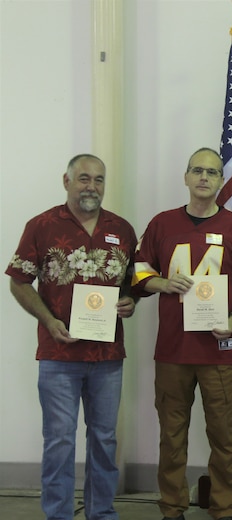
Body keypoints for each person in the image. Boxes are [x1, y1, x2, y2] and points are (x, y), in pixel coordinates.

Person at [132, 148, 232, 520]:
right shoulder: (162, 224)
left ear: (222, 181)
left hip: (219, 352)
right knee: (171, 438)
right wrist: (163, 282)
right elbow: (138, 272)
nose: (204, 177)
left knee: (224, 437)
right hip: (173, 351)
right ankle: (172, 509)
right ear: (186, 177)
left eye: (213, 172)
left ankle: (223, 508)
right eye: (198, 170)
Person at [6, 154, 138, 520]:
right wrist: (48, 320)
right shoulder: (42, 225)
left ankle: (102, 514)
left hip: (108, 356)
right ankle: (59, 515)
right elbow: (19, 281)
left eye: (98, 179)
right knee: (60, 442)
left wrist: (130, 300)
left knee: (104, 440)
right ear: (66, 181)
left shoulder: (122, 229)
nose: (91, 186)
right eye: (83, 178)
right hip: (58, 356)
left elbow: (133, 283)